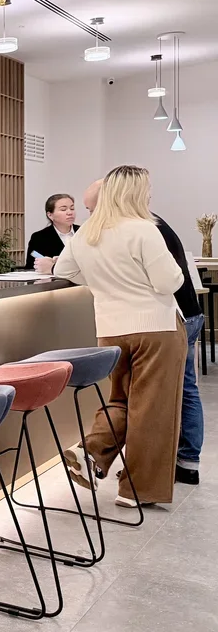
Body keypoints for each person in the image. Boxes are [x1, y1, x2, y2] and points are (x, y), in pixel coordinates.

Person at [53, 178, 206, 486]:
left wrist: (99, 281)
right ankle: (143, 485)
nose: (87, 213)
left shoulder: (89, 233)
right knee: (158, 403)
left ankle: (91, 450)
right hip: (157, 324)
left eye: (89, 207)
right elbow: (169, 281)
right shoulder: (146, 227)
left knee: (122, 398)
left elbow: (63, 270)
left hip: (111, 330)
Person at [24, 193, 78, 269]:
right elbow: (32, 265)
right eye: (63, 209)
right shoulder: (39, 237)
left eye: (72, 208)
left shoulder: (84, 232)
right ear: (50, 215)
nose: (70, 213)